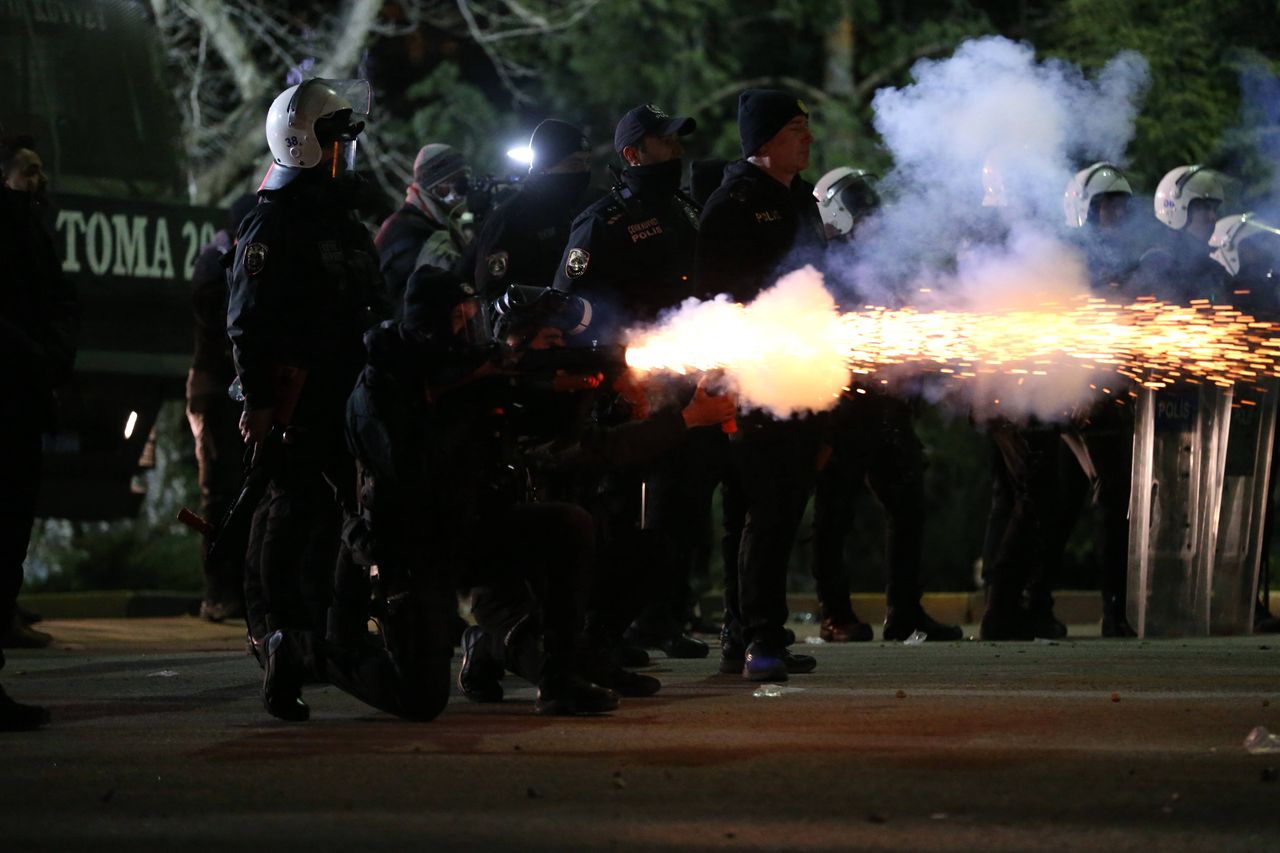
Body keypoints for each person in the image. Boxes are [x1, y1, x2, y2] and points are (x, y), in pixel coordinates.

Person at [227, 78, 391, 721]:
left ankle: (333, 637)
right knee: (289, 515)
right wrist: (262, 403)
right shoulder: (274, 220)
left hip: (349, 395)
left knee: (341, 519)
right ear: (304, 143)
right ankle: (279, 643)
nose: (344, 151)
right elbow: (247, 323)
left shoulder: (340, 219)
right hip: (300, 400)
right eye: (335, 139)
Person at [553, 103, 711, 659]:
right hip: (630, 394)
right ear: (632, 154)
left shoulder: (683, 210)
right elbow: (572, 312)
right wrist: (618, 375)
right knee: (627, 516)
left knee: (679, 512)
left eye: (676, 140)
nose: (677, 150)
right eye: (665, 142)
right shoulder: (603, 223)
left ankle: (663, 618)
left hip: (685, 388)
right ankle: (608, 631)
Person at [694, 89, 826, 680]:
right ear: (765, 140)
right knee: (761, 511)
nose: (808, 137)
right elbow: (716, 297)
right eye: (797, 128)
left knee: (779, 508)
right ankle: (757, 640)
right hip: (754, 381)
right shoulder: (733, 204)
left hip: (804, 375)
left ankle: (745, 632)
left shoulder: (801, 197)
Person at [808, 167, 962, 643]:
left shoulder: (887, 264)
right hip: (844, 411)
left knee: (909, 507)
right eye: (861, 207)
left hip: (888, 407)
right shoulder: (823, 268)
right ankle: (835, 615)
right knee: (835, 515)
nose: (871, 217)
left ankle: (906, 612)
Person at [0, 133, 78, 729]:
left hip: (24, 398)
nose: (39, 180)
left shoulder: (33, 230)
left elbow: (56, 303)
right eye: (29, 170)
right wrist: (36, 355)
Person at [187, 194, 257, 623]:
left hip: (229, 391)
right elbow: (223, 330)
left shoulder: (226, 262)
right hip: (216, 394)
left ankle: (234, 589)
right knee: (219, 494)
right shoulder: (215, 266)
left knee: (238, 492)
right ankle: (218, 592)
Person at [473, 119, 592, 297]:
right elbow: (492, 291)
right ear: (545, 167)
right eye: (574, 164)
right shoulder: (510, 219)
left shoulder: (588, 205)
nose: (583, 171)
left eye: (586, 163)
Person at [374, 143, 472, 315]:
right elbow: (461, 279)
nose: (467, 190)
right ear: (437, 188)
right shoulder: (412, 230)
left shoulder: (422, 222)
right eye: (461, 183)